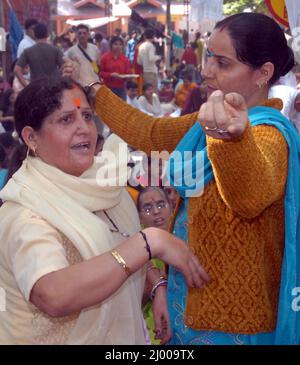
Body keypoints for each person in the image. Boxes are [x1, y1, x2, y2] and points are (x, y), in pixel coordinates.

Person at [64, 12, 300, 344]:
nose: (206, 71)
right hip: (188, 304)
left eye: (222, 63)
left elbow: (248, 198)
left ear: (262, 73)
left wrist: (233, 141)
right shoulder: (205, 121)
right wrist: (93, 87)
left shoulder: (268, 136)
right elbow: (148, 132)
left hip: (237, 325)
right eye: (208, 59)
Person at [0, 76, 207, 345]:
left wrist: (156, 285)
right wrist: (148, 242)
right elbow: (52, 293)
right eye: (66, 120)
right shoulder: (26, 212)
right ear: (31, 138)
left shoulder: (106, 188)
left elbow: (116, 249)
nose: (84, 128)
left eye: (87, 116)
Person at [14, 23, 64, 88]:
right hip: (53, 88)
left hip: (36, 89)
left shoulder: (28, 51)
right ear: (47, 34)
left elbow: (16, 70)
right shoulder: (55, 50)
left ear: (35, 34)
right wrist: (58, 76)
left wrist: (27, 87)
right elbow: (64, 67)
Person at [100, 36, 131, 100]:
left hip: (121, 88)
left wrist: (128, 77)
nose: (118, 46)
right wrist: (110, 75)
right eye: (115, 44)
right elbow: (100, 73)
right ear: (111, 45)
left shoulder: (125, 59)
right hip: (108, 88)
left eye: (120, 44)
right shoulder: (104, 58)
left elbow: (128, 73)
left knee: (121, 108)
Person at [137, 28, 160, 93]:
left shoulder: (141, 46)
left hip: (145, 72)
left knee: (147, 92)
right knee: (153, 92)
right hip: (152, 72)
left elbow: (139, 61)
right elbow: (151, 58)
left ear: (144, 36)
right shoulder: (150, 46)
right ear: (153, 36)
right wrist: (159, 57)